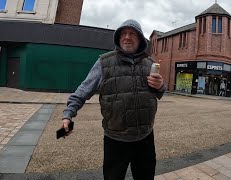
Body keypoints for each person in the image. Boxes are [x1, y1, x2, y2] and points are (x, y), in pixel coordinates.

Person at [60, 19, 166, 180]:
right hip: (115, 140)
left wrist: (160, 85)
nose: (127, 37)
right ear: (118, 38)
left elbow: (159, 93)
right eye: (123, 33)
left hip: (145, 138)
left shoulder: (149, 64)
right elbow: (83, 89)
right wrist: (68, 114)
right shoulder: (104, 62)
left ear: (140, 39)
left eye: (132, 34)